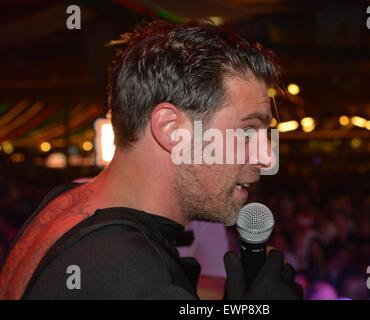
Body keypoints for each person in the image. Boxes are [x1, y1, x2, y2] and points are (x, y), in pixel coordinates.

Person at [0, 20, 302, 300]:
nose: (265, 156)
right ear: (171, 129)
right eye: (248, 130)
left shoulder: (68, 200)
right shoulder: (133, 276)